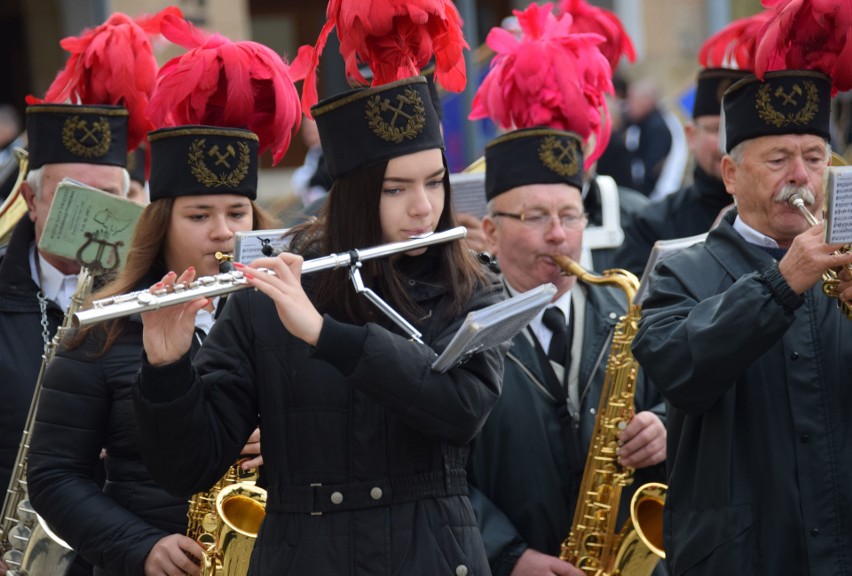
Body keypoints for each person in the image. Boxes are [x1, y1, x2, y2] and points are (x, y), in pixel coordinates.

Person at [132, 3, 506, 572]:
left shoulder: (471, 281)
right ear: (355, 195)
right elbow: (189, 466)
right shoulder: (277, 286)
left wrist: (327, 335)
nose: (424, 208)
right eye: (395, 190)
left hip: (432, 550)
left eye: (434, 182)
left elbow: (460, 410)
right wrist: (167, 370)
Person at [26, 14, 303, 575]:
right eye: (199, 215)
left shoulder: (290, 315)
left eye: (237, 212)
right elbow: (55, 474)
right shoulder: (100, 329)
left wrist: (291, 444)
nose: (223, 232)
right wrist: (139, 545)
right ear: (162, 223)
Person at [463, 5, 666, 575]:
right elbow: (434, 468)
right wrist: (509, 556)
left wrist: (664, 425)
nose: (558, 235)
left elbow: (679, 396)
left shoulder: (624, 306)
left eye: (570, 216)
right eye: (534, 217)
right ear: (489, 229)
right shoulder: (460, 327)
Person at [631, 63, 852, 574]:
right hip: (742, 556)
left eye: (815, 158)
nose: (800, 176)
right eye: (778, 159)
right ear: (731, 175)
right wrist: (783, 280)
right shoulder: (678, 273)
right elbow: (679, 373)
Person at [615, 67, 749, 277]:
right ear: (691, 136)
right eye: (716, 130)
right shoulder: (650, 225)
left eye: (736, 130)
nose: (727, 145)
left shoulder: (781, 217)